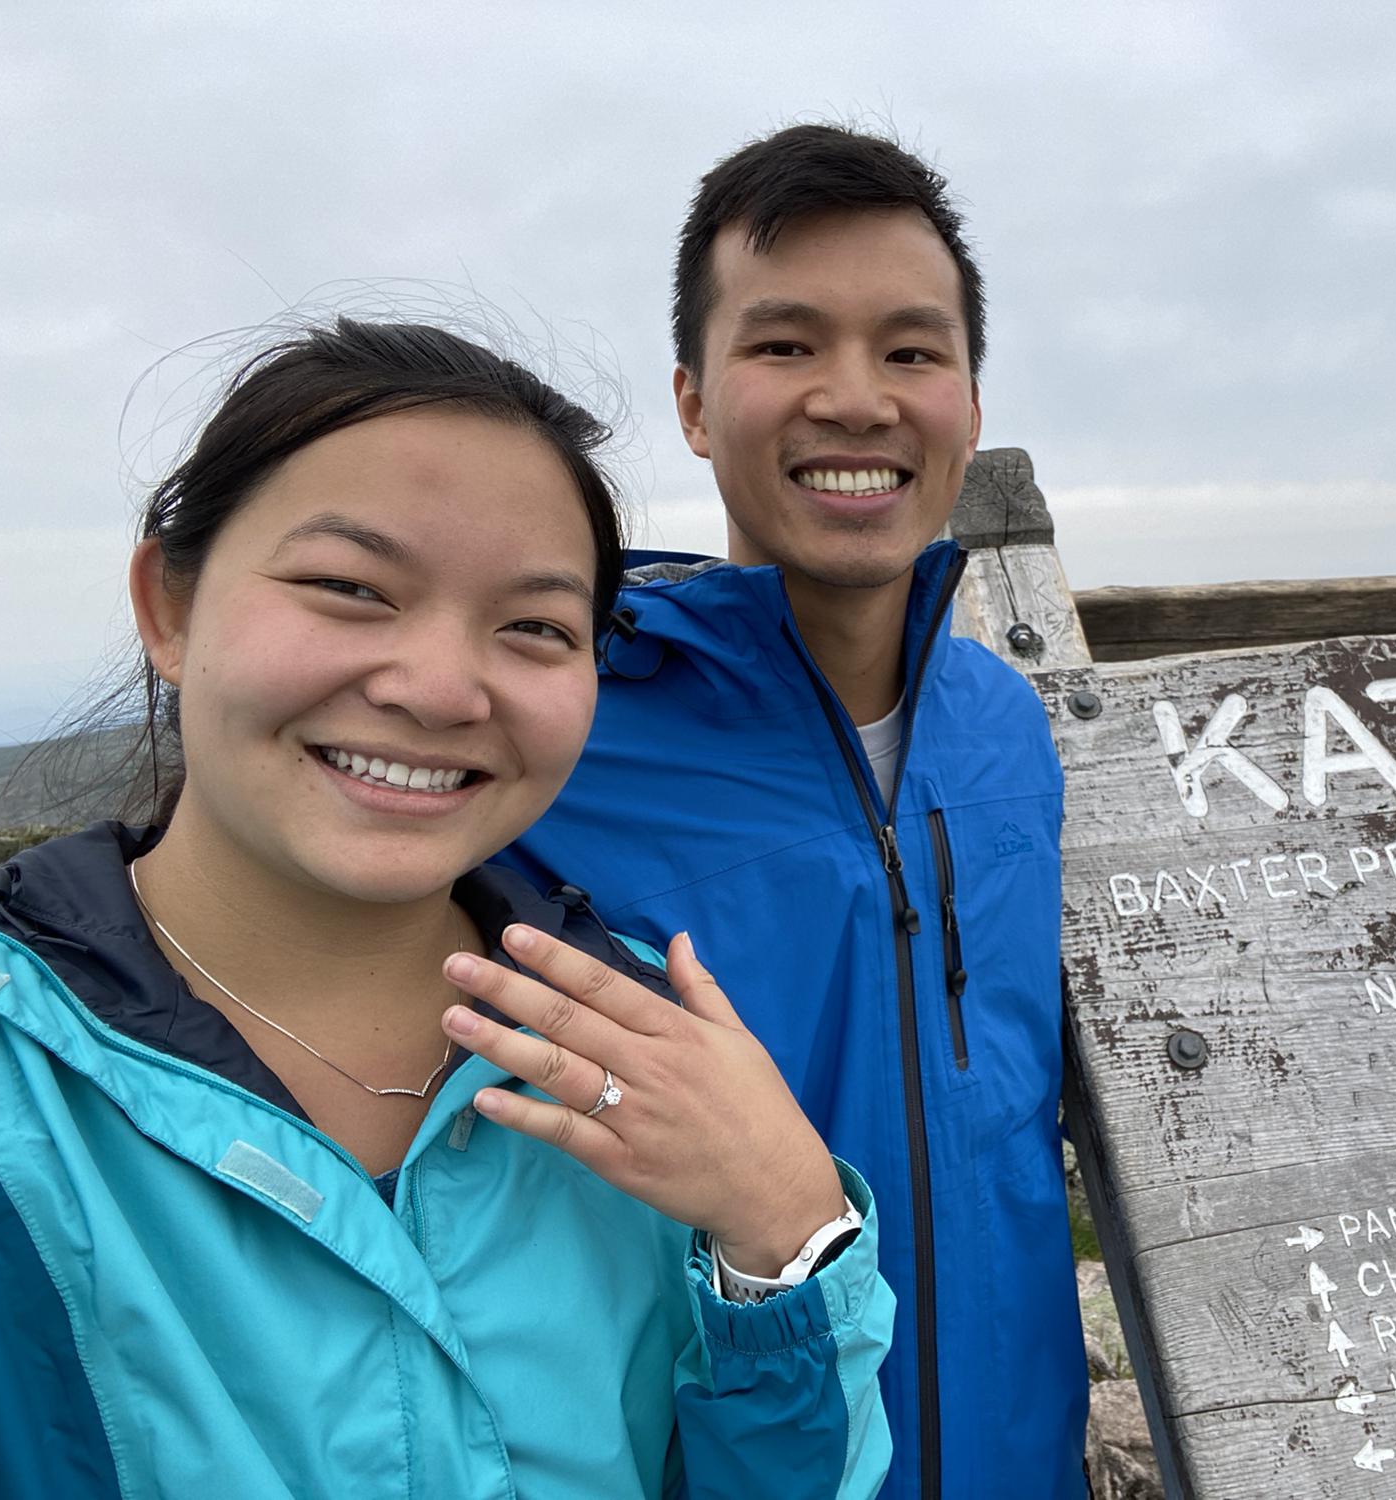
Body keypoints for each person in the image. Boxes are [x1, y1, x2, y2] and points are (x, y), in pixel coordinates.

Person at [0, 318, 893, 1499]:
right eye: (349, 588)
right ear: (166, 605)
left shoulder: (637, 1050)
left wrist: (784, 1239)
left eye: (535, 627)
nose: (440, 690)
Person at [502, 125, 1087, 1499]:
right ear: (696, 404)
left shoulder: (1007, 730)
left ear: (972, 402)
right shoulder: (566, 737)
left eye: (910, 350)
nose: (855, 400)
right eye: (784, 346)